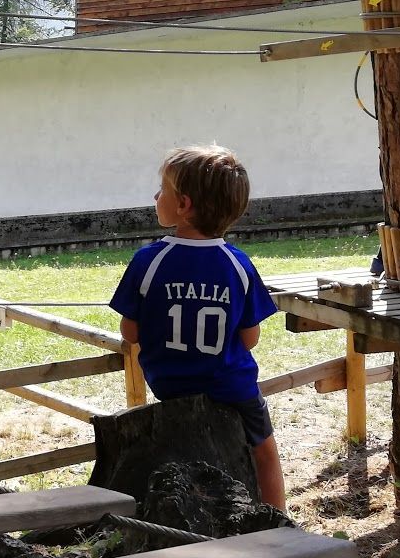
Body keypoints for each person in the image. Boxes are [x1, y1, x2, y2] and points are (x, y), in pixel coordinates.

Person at [109, 145, 287, 510]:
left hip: (170, 387)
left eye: (163, 190)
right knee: (265, 451)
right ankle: (279, 520)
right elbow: (250, 338)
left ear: (183, 205)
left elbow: (131, 332)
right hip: (232, 388)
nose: (155, 196)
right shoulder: (237, 263)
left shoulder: (149, 261)